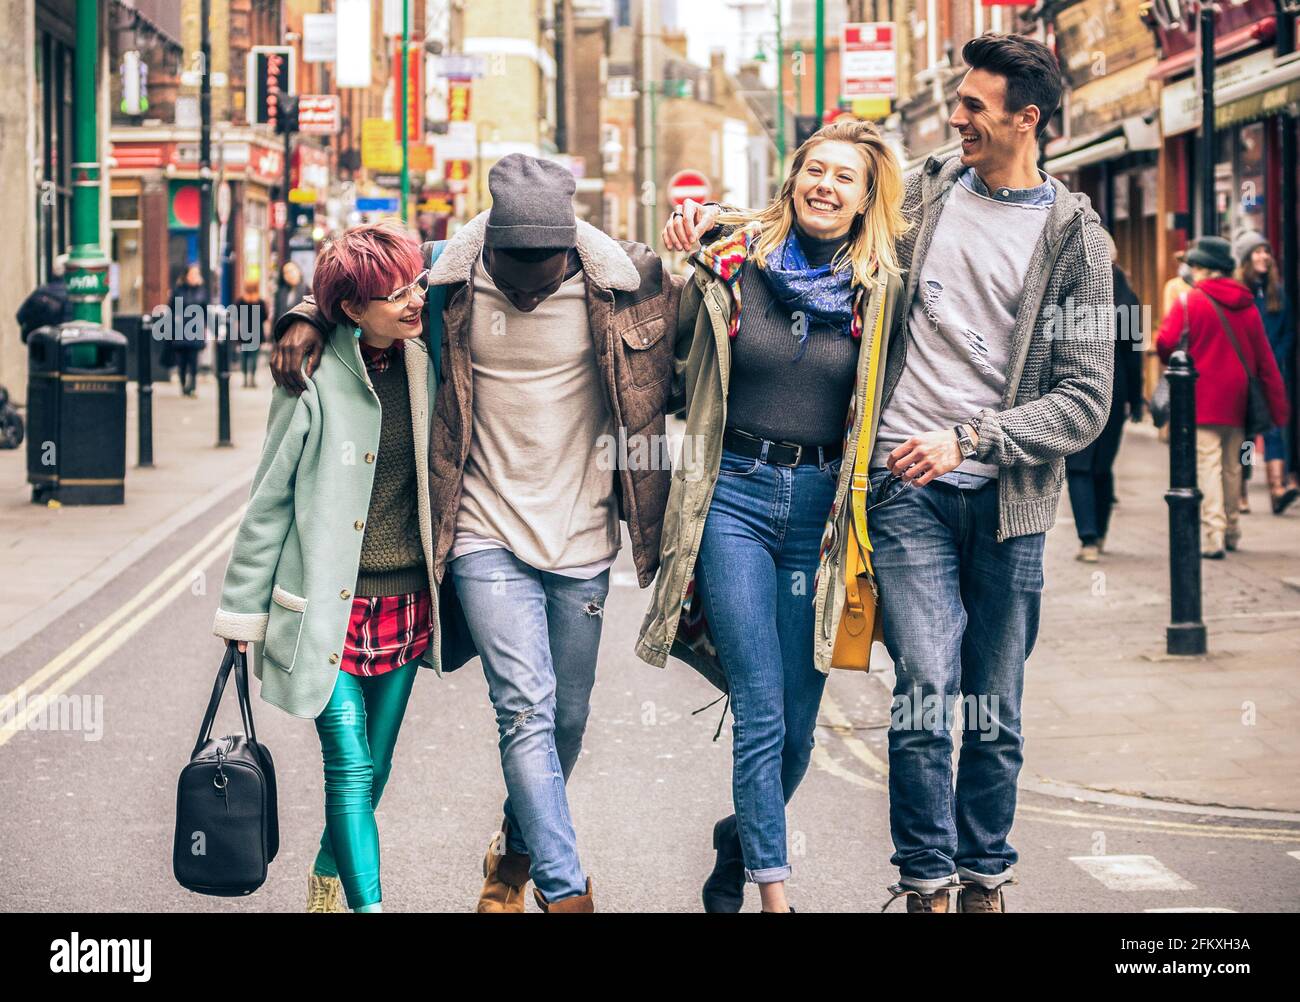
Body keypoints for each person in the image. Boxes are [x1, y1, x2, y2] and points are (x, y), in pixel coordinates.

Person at [671, 33, 1115, 913]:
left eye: (975, 107)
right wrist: (709, 224)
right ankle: (926, 882)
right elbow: (820, 205)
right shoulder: (933, 189)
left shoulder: (1077, 241)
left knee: (994, 704)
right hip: (901, 485)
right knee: (924, 682)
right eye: (957, 102)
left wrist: (974, 437)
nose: (956, 118)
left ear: (1027, 120)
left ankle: (984, 875)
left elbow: (1085, 400)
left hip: (1007, 501)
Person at [270, 155, 682, 913]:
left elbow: (717, 331)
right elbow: (362, 282)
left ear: (572, 246)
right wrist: (302, 312)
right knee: (523, 708)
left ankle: (516, 855)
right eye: (511, 267)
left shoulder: (632, 284)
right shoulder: (446, 279)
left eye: (543, 268)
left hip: (584, 537)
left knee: (565, 721)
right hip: (483, 530)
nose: (525, 287)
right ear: (486, 243)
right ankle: (566, 892)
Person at [643, 119, 908, 913]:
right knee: (759, 704)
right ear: (792, 178)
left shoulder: (881, 287)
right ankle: (773, 893)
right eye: (814, 171)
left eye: (845, 178)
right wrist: (681, 248)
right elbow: (658, 341)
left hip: (823, 519)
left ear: (866, 200)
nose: (826, 186)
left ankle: (736, 850)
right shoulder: (729, 262)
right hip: (735, 498)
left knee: (797, 728)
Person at [212, 222, 441, 913]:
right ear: (350, 309)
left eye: (415, 284)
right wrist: (241, 612)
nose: (413, 300)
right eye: (393, 293)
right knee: (347, 765)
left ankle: (325, 876)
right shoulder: (307, 376)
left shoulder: (427, 361)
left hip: (406, 607)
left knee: (378, 763)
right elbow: (268, 501)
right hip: (325, 611)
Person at [1157, 235, 1290, 558]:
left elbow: (1165, 343)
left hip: (1201, 398)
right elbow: (1264, 359)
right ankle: (1232, 527)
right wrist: (1278, 407)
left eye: (1196, 267)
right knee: (1235, 465)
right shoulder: (1246, 303)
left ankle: (1214, 534)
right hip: (1240, 401)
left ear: (1205, 269)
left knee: (1209, 464)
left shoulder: (1190, 302)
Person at [1067, 232, 1144, 562]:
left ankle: (1088, 538)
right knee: (1102, 466)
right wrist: (1137, 399)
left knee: (1080, 466)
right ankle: (1100, 531)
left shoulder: (1075, 290)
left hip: (1078, 388)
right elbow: (1134, 354)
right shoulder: (1129, 296)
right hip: (1116, 390)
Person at [1233, 229, 1299, 514]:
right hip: (1245, 375)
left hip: (1271, 374)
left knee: (1275, 430)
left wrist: (1274, 359)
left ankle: (1277, 489)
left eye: (1267, 251)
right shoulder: (1238, 292)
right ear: (1246, 258)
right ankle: (1242, 489)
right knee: (1246, 437)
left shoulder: (1276, 292)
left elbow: (1288, 332)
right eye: (1258, 252)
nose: (1265, 257)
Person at [169, 264, 209, 397]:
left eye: (197, 274)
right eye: (192, 274)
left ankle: (192, 387)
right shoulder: (178, 290)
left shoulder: (201, 291)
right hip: (181, 330)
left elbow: (205, 310)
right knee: (182, 361)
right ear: (186, 276)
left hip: (195, 330)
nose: (195, 276)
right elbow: (171, 309)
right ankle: (183, 384)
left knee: (193, 360)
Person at [16, 253, 72, 341]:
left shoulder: (41, 291)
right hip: (62, 347)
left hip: (39, 346)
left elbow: (20, 316)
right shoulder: (71, 295)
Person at [232, 276, 269, 388]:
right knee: (254, 356)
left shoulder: (240, 301)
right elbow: (265, 318)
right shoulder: (260, 302)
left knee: (244, 356)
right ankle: (252, 379)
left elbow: (236, 318)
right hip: (256, 332)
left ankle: (244, 380)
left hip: (244, 332)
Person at [274, 260, 308, 325]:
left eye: (292, 271)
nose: (290, 275)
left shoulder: (307, 290)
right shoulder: (280, 292)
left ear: (299, 271)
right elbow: (276, 315)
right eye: (286, 272)